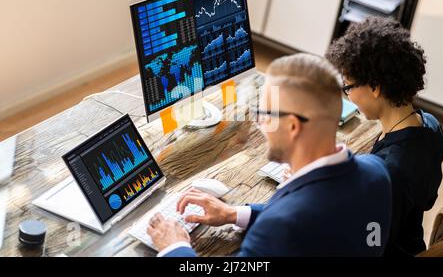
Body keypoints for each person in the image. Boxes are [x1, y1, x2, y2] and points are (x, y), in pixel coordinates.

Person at [146, 53, 392, 257]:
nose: (259, 123)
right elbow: (325, 227)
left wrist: (175, 247)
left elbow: (292, 225)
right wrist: (234, 214)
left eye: (264, 113)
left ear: (293, 126)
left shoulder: (278, 229)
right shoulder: (377, 172)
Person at [326, 16, 443, 256]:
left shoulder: (389, 169)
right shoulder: (431, 126)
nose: (348, 95)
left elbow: (368, 242)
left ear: (374, 87)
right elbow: (424, 198)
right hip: (409, 241)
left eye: (348, 87)